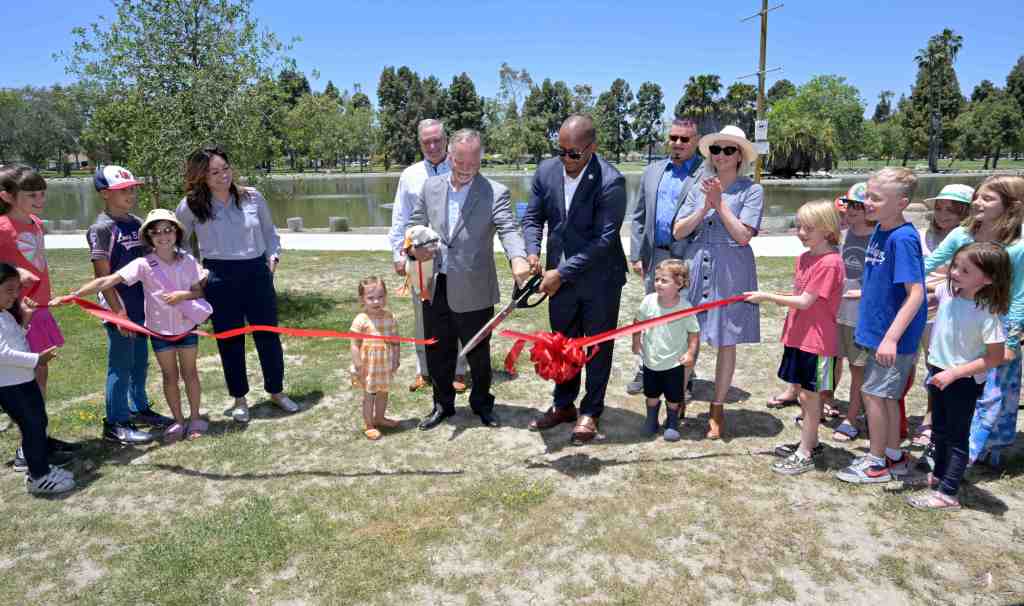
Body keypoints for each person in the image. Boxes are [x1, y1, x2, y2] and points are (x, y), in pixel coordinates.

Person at [408, 129, 530, 430]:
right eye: (459, 161)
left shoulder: (495, 192)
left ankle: (481, 404)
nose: (465, 168)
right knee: (437, 349)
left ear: (480, 158)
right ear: (449, 156)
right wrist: (413, 247)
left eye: (472, 162)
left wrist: (518, 258)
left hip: (475, 287)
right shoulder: (430, 187)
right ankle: (442, 404)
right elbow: (414, 225)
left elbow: (509, 229)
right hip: (435, 285)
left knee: (478, 354)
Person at [61, 209, 212, 442]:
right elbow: (108, 280)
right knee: (169, 376)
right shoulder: (143, 264)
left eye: (168, 230)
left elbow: (199, 291)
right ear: (149, 236)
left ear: (177, 232)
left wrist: (183, 295)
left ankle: (194, 418)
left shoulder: (189, 261)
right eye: (157, 232)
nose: (163, 236)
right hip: (160, 333)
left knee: (190, 373)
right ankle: (178, 421)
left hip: (187, 328)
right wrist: (75, 294)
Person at [521, 114, 628, 445]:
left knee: (596, 347)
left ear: (592, 148)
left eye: (574, 153)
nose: (566, 159)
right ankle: (563, 405)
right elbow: (533, 216)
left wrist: (561, 273)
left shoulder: (611, 181)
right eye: (561, 151)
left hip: (600, 279)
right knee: (562, 345)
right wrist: (532, 252)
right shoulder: (546, 171)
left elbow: (604, 240)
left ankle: (591, 411)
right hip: (559, 280)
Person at [176, 146, 299, 423]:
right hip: (219, 276)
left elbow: (270, 233)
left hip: (256, 272)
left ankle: (276, 391)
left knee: (268, 335)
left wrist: (273, 258)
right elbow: (178, 242)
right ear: (202, 177)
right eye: (214, 172)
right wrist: (196, 271)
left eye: (225, 169)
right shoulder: (192, 205)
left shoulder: (252, 197)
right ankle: (239, 398)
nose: (222, 176)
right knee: (230, 340)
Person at [923, 175, 1024, 468]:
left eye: (987, 198)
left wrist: (1013, 332)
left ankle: (983, 448)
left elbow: (1019, 292)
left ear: (1012, 206)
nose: (977, 202)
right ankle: (955, 448)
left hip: (999, 326)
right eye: (977, 196)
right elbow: (928, 264)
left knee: (994, 390)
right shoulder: (961, 235)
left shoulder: (1017, 246)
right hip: (962, 323)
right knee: (960, 384)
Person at [672, 125, 764, 440]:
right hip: (698, 265)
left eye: (728, 150)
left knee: (726, 340)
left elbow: (742, 235)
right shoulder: (698, 185)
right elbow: (678, 231)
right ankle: (677, 400)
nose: (720, 155)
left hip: (732, 269)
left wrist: (720, 203)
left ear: (740, 156)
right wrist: (704, 206)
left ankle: (717, 408)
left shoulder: (752, 190)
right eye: (716, 149)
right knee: (688, 337)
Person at [836, 168, 927, 485]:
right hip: (875, 331)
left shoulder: (902, 238)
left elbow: (915, 294)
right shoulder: (881, 230)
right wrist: (866, 292)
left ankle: (876, 463)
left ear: (901, 203)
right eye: (866, 196)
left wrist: (891, 338)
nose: (868, 202)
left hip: (892, 338)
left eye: (876, 198)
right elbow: (886, 279)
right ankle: (894, 455)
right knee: (884, 397)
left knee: (873, 395)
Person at [746, 200, 845, 475]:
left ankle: (805, 452)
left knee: (812, 399)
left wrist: (765, 296)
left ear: (828, 230)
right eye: (799, 226)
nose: (801, 232)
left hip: (819, 342)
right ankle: (809, 442)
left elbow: (804, 301)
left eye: (808, 228)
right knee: (803, 395)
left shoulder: (830, 263)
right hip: (799, 337)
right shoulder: (805, 258)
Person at [908, 242, 1008, 510]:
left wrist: (955, 373)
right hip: (939, 371)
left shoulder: (988, 313)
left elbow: (995, 357)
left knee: (956, 436)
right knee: (939, 430)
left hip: (962, 380)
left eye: (965, 270)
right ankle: (940, 475)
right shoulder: (948, 292)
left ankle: (948, 493)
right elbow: (924, 298)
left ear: (988, 279)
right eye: (955, 266)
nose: (954, 273)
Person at [87, 166, 175, 446]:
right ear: (104, 194)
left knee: (139, 363)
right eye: (123, 190)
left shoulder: (136, 222)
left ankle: (139, 409)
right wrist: (118, 312)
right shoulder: (101, 229)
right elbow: (102, 275)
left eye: (132, 189)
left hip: (143, 309)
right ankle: (115, 423)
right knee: (120, 366)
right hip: (120, 310)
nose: (130, 194)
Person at [0, 165, 80, 469]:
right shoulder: (2, 226)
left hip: (39, 307)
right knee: (24, 380)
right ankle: (28, 449)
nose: (40, 198)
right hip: (15, 312)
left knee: (40, 375)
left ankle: (39, 437)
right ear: (7, 196)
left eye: (43, 193)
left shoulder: (34, 222)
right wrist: (12, 273)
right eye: (32, 194)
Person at [387, 119, 468, 393]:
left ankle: (458, 369)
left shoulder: (460, 168)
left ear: (446, 140)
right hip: (419, 258)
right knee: (423, 316)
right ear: (420, 143)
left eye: (437, 140)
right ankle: (425, 370)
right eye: (426, 142)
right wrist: (398, 253)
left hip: (454, 257)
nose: (432, 146)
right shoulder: (409, 175)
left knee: (457, 312)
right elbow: (400, 217)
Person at [626, 118, 703, 395]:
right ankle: (646, 369)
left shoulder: (706, 172)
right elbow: (638, 216)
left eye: (685, 139)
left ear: (696, 141)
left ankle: (685, 372)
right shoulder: (653, 171)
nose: (678, 143)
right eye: (673, 138)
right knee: (653, 314)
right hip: (655, 257)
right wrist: (636, 254)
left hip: (688, 258)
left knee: (684, 319)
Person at [0, 262, 74, 495]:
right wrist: (36, 359)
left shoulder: (5, 314)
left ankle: (40, 468)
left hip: (23, 380)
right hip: (10, 386)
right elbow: (3, 353)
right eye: (9, 290)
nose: (15, 295)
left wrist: (26, 320)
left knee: (38, 422)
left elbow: (16, 340)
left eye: (16, 289)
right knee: (32, 426)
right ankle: (38, 477)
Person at [911, 184, 975, 447]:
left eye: (952, 209)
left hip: (946, 312)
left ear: (966, 211)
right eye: (939, 208)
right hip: (917, 308)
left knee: (935, 364)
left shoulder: (971, 240)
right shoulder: (923, 235)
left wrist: (929, 284)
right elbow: (921, 269)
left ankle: (931, 416)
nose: (943, 214)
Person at [631, 259, 700, 442]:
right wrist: (636, 341)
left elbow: (694, 333)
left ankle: (671, 423)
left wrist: (691, 354)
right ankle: (651, 420)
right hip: (651, 360)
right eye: (657, 279)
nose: (658, 284)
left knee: (673, 397)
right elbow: (637, 323)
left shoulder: (685, 308)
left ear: (679, 284)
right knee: (651, 395)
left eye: (664, 280)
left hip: (674, 363)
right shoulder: (648, 302)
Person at [831, 183, 874, 442]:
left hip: (861, 316)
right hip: (835, 313)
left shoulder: (880, 238)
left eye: (861, 205)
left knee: (858, 369)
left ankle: (853, 416)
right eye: (850, 205)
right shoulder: (840, 236)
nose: (854, 211)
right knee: (831, 360)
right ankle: (826, 401)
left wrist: (864, 294)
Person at [349, 276, 401, 440]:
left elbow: (395, 342)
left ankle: (380, 418)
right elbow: (354, 343)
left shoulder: (390, 317)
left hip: (384, 365)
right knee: (369, 395)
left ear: (385, 297)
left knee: (383, 393)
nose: (376, 301)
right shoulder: (361, 319)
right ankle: (369, 424)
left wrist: (396, 359)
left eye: (380, 297)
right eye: (371, 298)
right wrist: (358, 364)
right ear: (362, 299)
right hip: (368, 366)